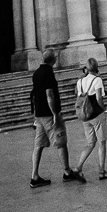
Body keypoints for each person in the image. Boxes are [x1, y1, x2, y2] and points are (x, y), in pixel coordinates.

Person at [30, 47, 83, 187]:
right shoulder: (48, 72)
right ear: (53, 59)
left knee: (38, 145)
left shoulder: (36, 73)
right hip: (49, 114)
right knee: (60, 142)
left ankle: (34, 176)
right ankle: (67, 172)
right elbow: (49, 95)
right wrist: (55, 114)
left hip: (39, 115)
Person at [72, 58, 107, 180]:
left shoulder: (80, 81)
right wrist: (104, 109)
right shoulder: (97, 80)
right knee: (102, 143)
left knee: (90, 143)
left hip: (85, 115)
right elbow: (99, 98)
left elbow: (77, 94)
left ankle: (78, 167)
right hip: (96, 114)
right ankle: (101, 171)